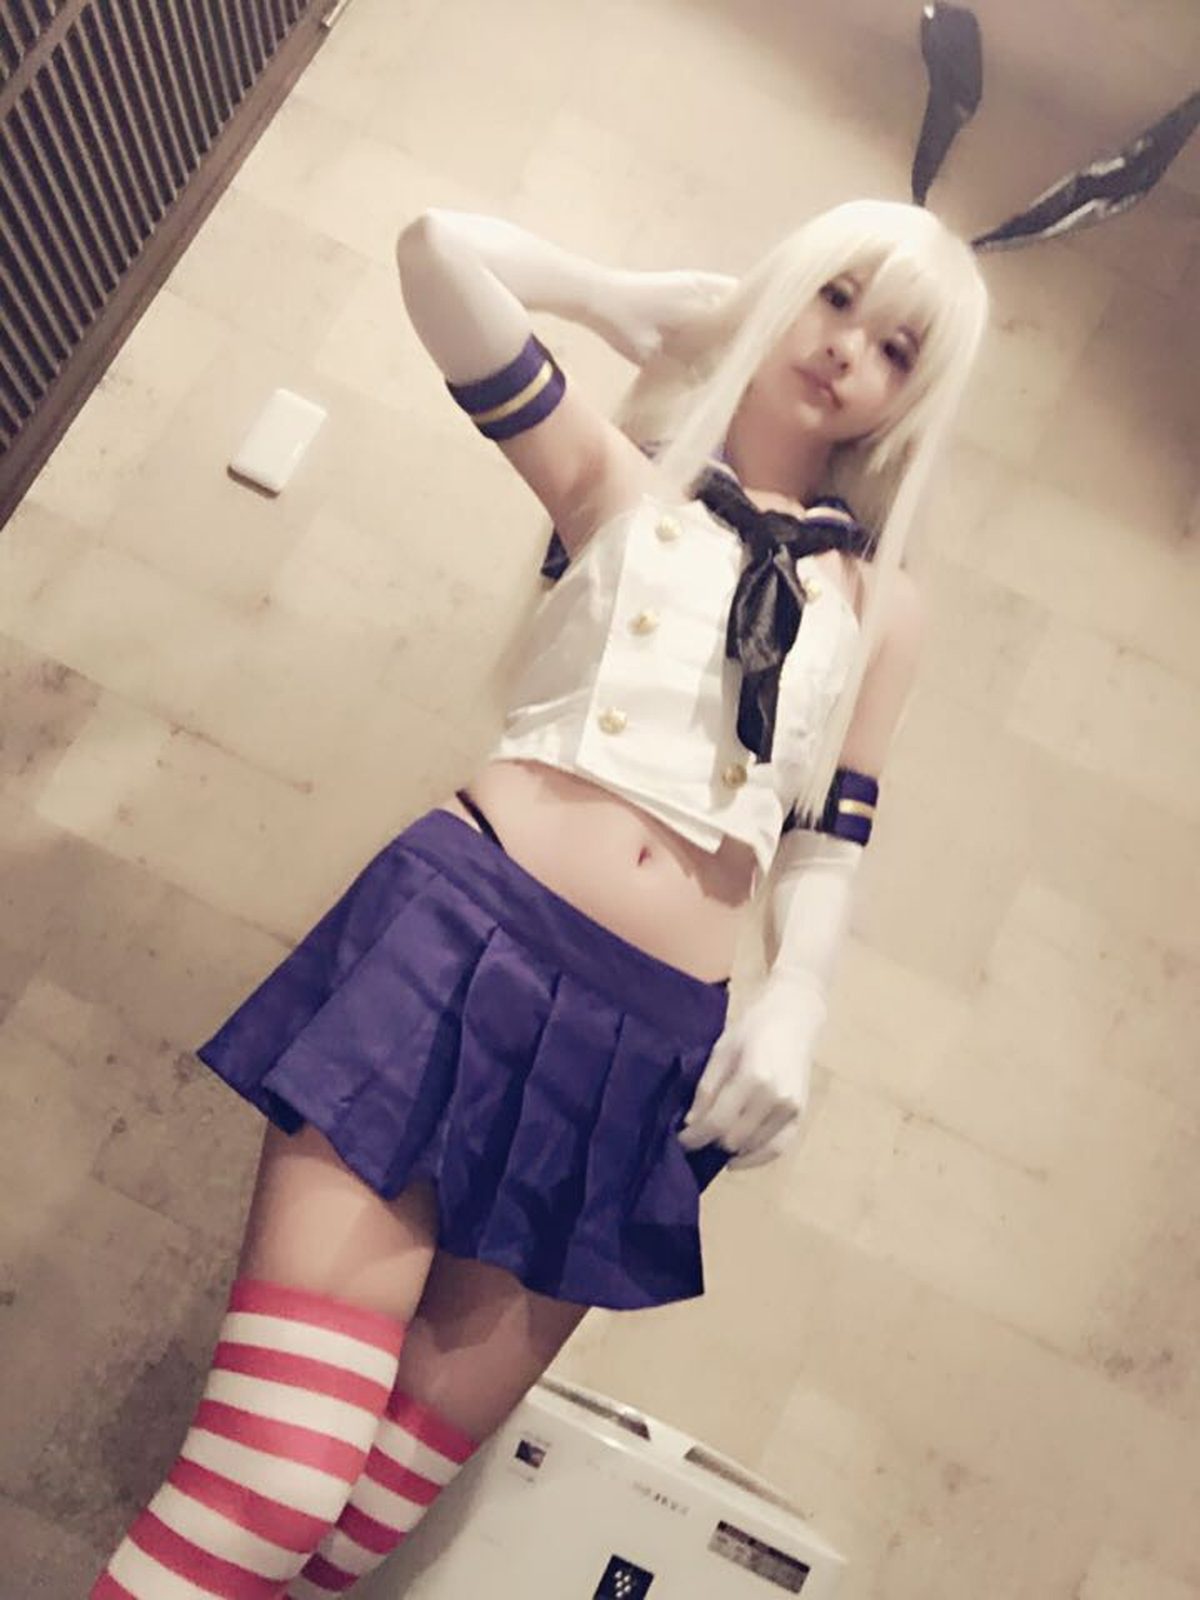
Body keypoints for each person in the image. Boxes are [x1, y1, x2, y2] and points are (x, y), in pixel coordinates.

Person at [89, 198, 988, 1599]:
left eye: (896, 346)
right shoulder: (618, 477)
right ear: (780, 289)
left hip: (650, 1045)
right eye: (835, 298)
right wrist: (619, 296)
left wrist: (801, 998)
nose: (848, 350)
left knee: (359, 1526)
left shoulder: (885, 608)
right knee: (273, 1482)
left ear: (910, 398)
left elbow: (830, 831)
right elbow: (434, 255)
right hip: (468, 950)